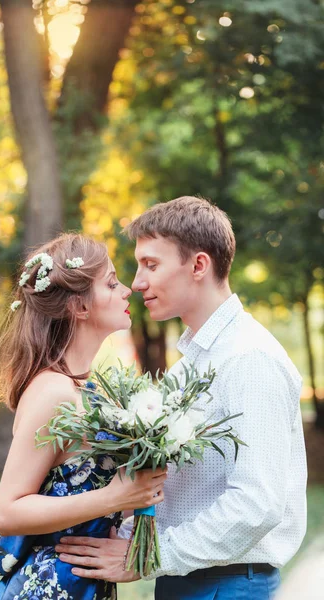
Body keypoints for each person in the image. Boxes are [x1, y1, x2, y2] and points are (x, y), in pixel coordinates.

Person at [54, 196, 307, 600]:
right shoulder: (192, 363)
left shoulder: (249, 358)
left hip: (228, 585)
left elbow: (258, 504)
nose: (137, 283)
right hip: (189, 582)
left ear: (199, 265)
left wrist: (151, 557)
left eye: (151, 265)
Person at [0, 232, 167, 600]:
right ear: (79, 307)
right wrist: (114, 498)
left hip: (87, 584)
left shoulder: (85, 388)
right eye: (112, 283)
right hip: (51, 587)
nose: (126, 290)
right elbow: (8, 511)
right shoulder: (53, 391)